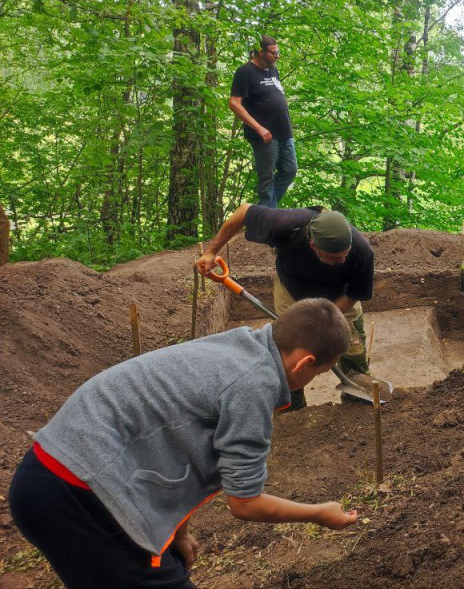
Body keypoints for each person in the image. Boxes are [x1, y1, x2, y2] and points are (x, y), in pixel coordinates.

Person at [8, 298, 358, 589]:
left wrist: (177, 531)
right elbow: (246, 503)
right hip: (79, 494)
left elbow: (175, 444)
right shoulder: (253, 386)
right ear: (305, 363)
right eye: (318, 374)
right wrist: (318, 514)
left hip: (52, 473)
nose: (311, 382)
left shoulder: (236, 346)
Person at [197, 203, 381, 410]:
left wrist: (326, 321)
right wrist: (211, 252)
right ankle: (293, 411)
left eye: (345, 254)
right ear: (313, 245)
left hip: (339, 295)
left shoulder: (363, 253)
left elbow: (354, 294)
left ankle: (356, 402)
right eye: (334, 258)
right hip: (292, 290)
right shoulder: (284, 224)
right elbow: (243, 212)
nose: (343, 260)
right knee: (290, 352)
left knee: (351, 345)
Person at [230, 35, 297, 208]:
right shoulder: (245, 72)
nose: (277, 56)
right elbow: (234, 104)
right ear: (260, 52)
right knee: (267, 179)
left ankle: (265, 211)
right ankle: (269, 220)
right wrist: (259, 128)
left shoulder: (273, 69)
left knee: (290, 170)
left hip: (284, 132)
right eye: (274, 53)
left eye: (278, 52)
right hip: (265, 135)